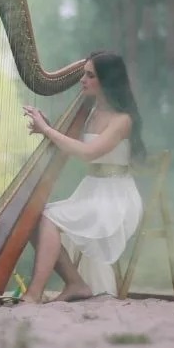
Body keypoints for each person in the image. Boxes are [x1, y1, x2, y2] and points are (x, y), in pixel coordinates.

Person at [21, 50, 147, 304]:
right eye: (84, 74)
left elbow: (89, 153)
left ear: (107, 80)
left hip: (116, 200)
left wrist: (47, 130)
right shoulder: (90, 112)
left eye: (90, 75)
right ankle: (75, 283)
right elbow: (72, 146)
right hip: (92, 191)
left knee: (48, 218)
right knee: (33, 216)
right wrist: (49, 130)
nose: (82, 80)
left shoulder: (123, 120)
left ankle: (35, 294)